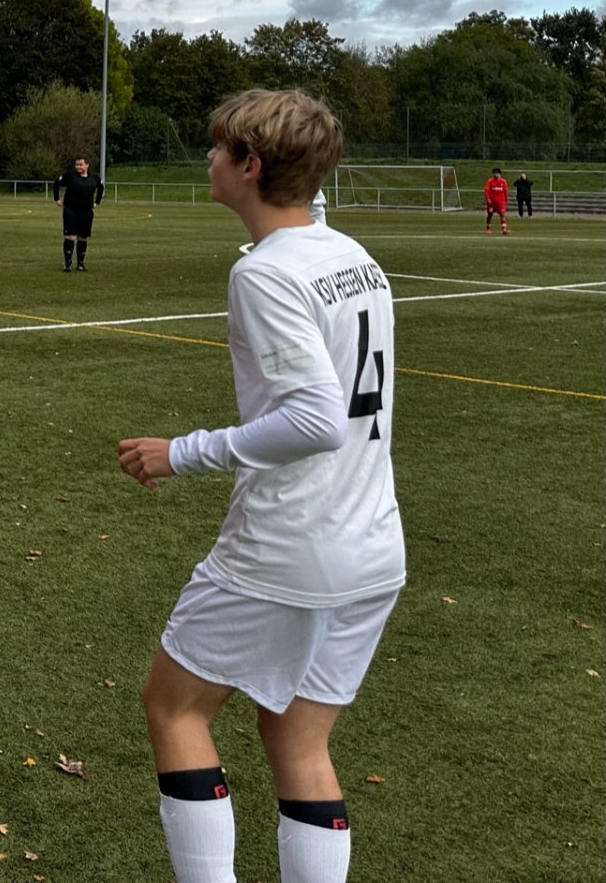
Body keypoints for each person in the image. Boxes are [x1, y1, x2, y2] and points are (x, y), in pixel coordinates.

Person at [118, 89, 402, 883]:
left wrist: (182, 452)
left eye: (218, 147)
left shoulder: (267, 273)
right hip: (373, 546)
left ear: (251, 165)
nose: (207, 157)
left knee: (174, 706)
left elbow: (316, 418)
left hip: (291, 544)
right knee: (296, 738)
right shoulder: (354, 256)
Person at [51, 156, 103, 271]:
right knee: (71, 236)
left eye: (80, 165)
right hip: (71, 210)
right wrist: (57, 199)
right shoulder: (70, 176)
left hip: (86, 212)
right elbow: (56, 184)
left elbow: (101, 188)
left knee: (83, 237)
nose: (78, 167)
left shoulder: (94, 178)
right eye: (76, 165)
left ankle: (80, 264)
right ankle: (68, 264)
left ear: (87, 165)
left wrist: (97, 202)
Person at [482, 167, 509, 235]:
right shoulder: (490, 181)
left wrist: (506, 200)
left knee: (502, 214)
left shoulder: (503, 181)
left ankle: (504, 228)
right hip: (492, 201)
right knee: (490, 214)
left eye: (497, 173)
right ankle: (488, 228)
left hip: (500, 201)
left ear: (500, 174)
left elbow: (505, 191)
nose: (495, 174)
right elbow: (486, 190)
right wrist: (488, 199)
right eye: (494, 173)